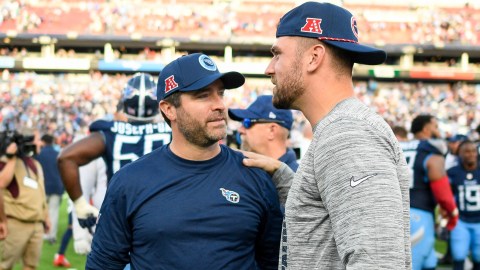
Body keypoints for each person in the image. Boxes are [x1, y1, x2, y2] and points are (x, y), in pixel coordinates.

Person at [242, 2, 411, 268]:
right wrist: (284, 176)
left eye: (277, 55)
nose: (269, 69)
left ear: (314, 57)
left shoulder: (346, 135)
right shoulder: (340, 129)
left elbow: (378, 262)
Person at [86, 53, 283, 269]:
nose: (219, 105)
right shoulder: (129, 181)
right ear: (169, 109)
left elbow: (273, 261)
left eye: (220, 94)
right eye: (203, 95)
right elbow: (103, 264)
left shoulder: (254, 174)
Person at [57, 72, 172, 230]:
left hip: (118, 222)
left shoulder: (109, 131)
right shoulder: (172, 132)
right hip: (161, 220)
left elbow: (66, 157)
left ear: (124, 102)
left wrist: (80, 205)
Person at [400, 114, 459, 270]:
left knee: (430, 262)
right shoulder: (431, 151)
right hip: (419, 215)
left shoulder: (400, 146)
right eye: (435, 127)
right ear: (426, 129)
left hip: (396, 211)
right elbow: (443, 191)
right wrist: (451, 212)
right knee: (414, 264)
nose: (438, 132)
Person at [0, 140, 51, 270]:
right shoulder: (7, 160)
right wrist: (12, 156)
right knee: (4, 265)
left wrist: (46, 216)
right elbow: (1, 182)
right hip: (15, 223)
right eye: (38, 140)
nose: (40, 143)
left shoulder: (36, 163)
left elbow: (41, 192)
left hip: (37, 223)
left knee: (31, 265)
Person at [228, 95, 299, 172]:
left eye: (247, 122)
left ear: (272, 130)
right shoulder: (247, 170)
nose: (240, 129)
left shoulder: (298, 180)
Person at [447, 140, 480, 270]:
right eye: (466, 151)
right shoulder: (452, 172)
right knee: (459, 256)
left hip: (479, 220)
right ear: (459, 154)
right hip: (460, 220)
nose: (470, 154)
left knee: (478, 257)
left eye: (473, 151)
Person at [34, 134, 64, 244]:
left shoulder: (39, 154)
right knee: (53, 211)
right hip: (56, 186)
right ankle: (51, 235)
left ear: (43, 141)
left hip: (43, 186)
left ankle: (43, 233)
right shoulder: (58, 154)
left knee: (41, 210)